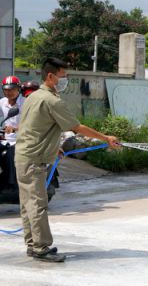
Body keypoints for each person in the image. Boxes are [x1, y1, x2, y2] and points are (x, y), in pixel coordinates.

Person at [15, 57, 120, 262]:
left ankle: (33, 244)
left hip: (25, 155)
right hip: (33, 159)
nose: (65, 80)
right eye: (63, 76)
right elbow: (76, 127)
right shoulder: (52, 100)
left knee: (28, 203)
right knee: (37, 203)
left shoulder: (34, 96)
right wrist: (106, 138)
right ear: (51, 76)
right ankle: (40, 247)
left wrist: (54, 150)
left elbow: (35, 128)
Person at [0, 76, 25, 192]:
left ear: (18, 89)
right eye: (6, 89)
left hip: (21, 139)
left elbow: (30, 123)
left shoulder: (25, 103)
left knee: (10, 153)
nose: (9, 92)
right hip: (5, 138)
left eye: (12, 89)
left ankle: (11, 184)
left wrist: (14, 128)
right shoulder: (2, 102)